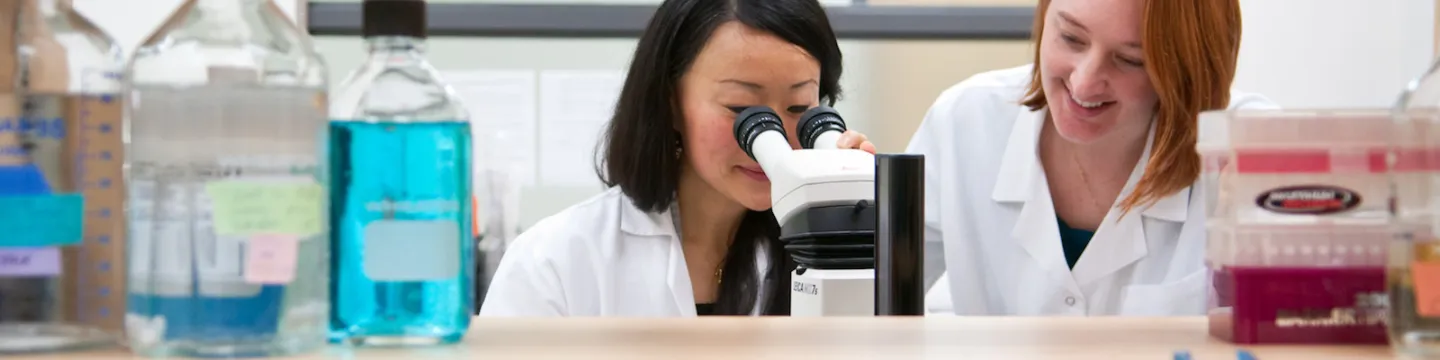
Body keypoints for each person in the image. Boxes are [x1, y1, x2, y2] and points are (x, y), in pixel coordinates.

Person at [478, 0, 875, 317]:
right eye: (741, 109)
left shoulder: (815, 250)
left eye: (799, 107)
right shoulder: (555, 261)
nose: (772, 139)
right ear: (670, 103)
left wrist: (866, 223)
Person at [910, 0, 1279, 316]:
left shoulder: (1251, 144)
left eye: (1130, 60)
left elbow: (1298, 323)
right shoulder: (966, 121)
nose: (1084, 83)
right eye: (1071, 38)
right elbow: (881, 291)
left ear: (1186, 70)